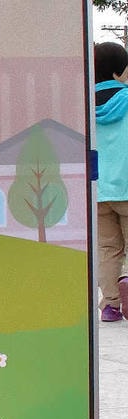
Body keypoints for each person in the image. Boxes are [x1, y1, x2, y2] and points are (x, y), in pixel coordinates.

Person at [94, 39, 128, 320]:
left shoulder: (83, 103)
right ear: (120, 71)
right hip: (127, 186)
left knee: (107, 248)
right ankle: (127, 283)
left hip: (98, 190)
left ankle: (110, 305)